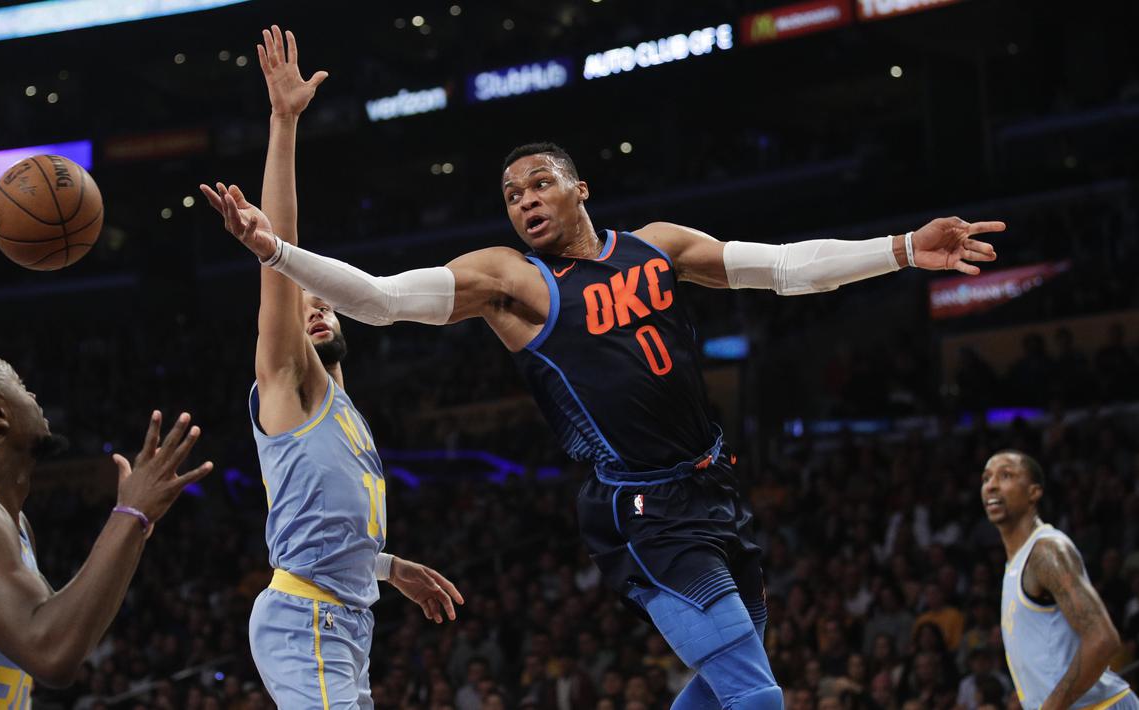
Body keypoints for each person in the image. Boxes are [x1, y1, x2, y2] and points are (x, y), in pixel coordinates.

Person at [205, 27, 1004, 709]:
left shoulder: (659, 247)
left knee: (726, 686)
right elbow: (378, 299)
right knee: (758, 697)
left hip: (714, 488)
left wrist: (900, 250)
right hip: (641, 510)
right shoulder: (512, 280)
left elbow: (789, 267)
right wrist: (275, 250)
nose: (523, 200)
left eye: (539, 183)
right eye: (511, 193)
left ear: (579, 188)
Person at [201, 26, 462, 709]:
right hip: (304, 617)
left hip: (346, 620)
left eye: (327, 304)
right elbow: (279, 254)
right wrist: (283, 124)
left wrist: (390, 567)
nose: (315, 310)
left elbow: (328, 532)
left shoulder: (348, 415)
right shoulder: (290, 381)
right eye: (303, 304)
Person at [0, 342, 213, 707]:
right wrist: (131, 514)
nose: (33, 392)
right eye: (19, 384)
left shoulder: (11, 520)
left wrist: (137, 523)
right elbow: (52, 654)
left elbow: (67, 630)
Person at [981, 450, 1136, 710]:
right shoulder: (1014, 564)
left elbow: (1103, 639)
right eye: (986, 478)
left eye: (1006, 475)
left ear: (1034, 493)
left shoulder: (1046, 552)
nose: (991, 485)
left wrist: (1050, 706)